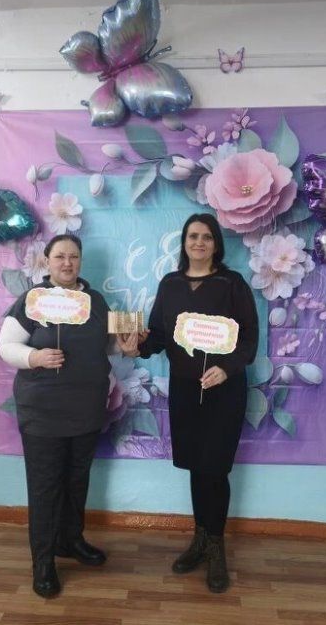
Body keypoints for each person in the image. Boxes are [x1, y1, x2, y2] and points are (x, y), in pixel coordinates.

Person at [119, 213, 258, 593]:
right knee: (197, 466)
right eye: (193, 236)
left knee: (216, 469)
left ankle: (216, 548)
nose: (199, 242)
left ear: (216, 244)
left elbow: (249, 339)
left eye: (207, 237)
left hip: (224, 390)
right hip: (184, 389)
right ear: (184, 242)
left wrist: (226, 369)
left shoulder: (232, 283)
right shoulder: (171, 284)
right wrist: (136, 348)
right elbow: (158, 336)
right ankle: (199, 539)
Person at [0, 233, 110, 598]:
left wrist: (125, 346)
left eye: (73, 256)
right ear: (47, 261)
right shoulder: (34, 300)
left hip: (86, 409)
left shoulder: (95, 301)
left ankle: (70, 541)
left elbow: (106, 346)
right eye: (60, 256)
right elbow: (6, 345)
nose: (67, 263)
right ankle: (43, 562)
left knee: (77, 481)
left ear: (80, 261)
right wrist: (35, 357)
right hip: (43, 412)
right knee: (45, 487)